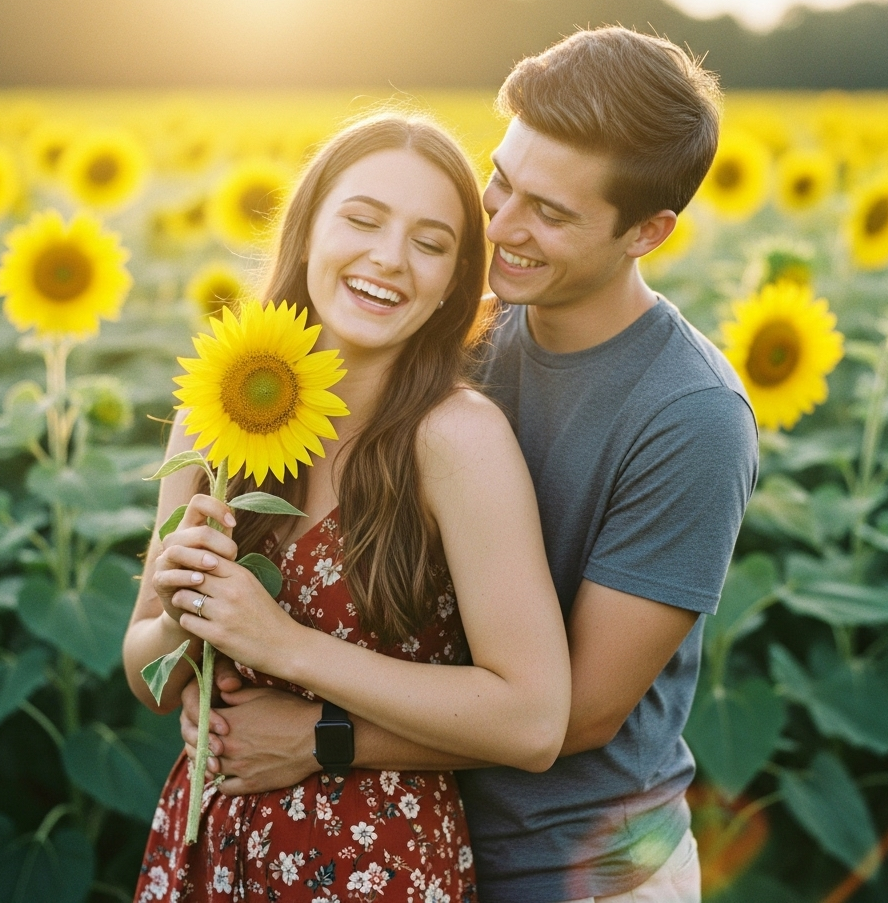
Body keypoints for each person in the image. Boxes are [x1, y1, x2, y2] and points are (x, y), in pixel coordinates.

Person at [177, 28, 758, 903]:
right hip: (411, 848)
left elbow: (576, 714)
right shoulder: (460, 336)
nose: (501, 227)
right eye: (501, 181)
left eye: (550, 214)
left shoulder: (691, 418)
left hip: (576, 868)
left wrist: (321, 735)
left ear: (648, 231)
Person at [123, 115, 572, 903]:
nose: (389, 260)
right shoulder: (216, 413)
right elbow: (149, 677)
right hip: (206, 845)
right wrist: (177, 616)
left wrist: (285, 646)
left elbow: (532, 721)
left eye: (430, 244)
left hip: (374, 862)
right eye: (362, 220)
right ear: (307, 233)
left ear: (452, 285)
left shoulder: (455, 439)